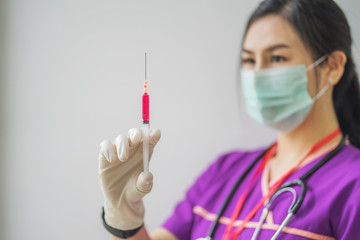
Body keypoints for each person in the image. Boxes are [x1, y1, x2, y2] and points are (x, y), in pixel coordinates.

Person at [98, 0, 360, 239]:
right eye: (248, 60)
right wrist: (124, 219)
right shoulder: (225, 171)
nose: (257, 75)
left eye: (277, 58)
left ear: (333, 66)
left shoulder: (353, 185)